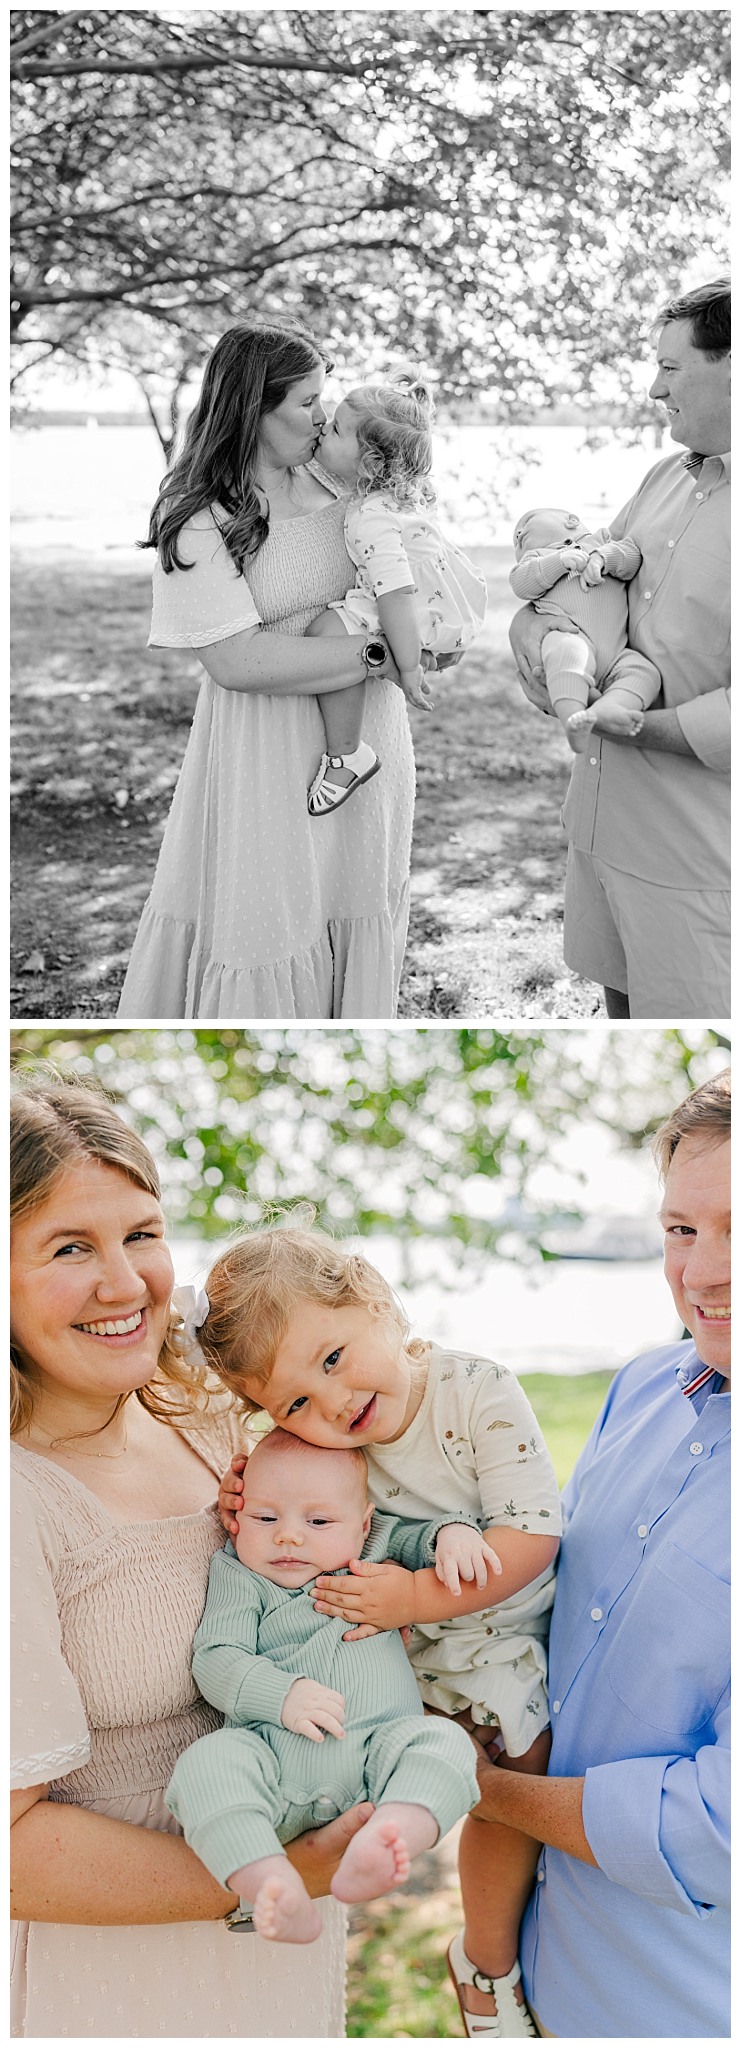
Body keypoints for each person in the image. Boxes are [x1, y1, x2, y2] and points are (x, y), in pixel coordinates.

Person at [10, 1075, 363, 2038]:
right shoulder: (18, 1499)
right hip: (121, 1984)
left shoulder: (216, 1423)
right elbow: (11, 1850)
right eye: (68, 1247)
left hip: (279, 1966)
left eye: (141, 1234)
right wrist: (277, 1876)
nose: (124, 1283)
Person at [207, 1221, 562, 2036]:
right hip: (367, 1649)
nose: (332, 1402)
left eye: (333, 1359)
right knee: (312, 1743)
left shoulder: (474, 1391)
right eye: (295, 1401)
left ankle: (483, 1960)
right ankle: (267, 1873)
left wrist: (412, 1601)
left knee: (509, 1781)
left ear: (373, 1296)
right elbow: (282, 1490)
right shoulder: (312, 1433)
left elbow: (532, 1536)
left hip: (485, 1638)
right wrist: (247, 1495)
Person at [470, 1067, 730, 2038]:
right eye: (681, 1228)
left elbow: (716, 1831)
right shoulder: (640, 1386)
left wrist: (488, 1790)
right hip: (537, 1980)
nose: (701, 1272)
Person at [117, 320, 421, 1021]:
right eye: (307, 402)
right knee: (267, 927)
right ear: (254, 408)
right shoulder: (199, 515)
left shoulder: (343, 484)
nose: (323, 417)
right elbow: (237, 660)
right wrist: (381, 655)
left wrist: (429, 636)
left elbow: (409, 575)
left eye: (324, 400)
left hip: (370, 747)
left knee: (355, 905)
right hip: (267, 756)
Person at [509, 280, 730, 1019]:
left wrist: (645, 726)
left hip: (697, 857)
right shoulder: (665, 476)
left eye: (670, 369)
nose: (651, 388)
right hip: (602, 825)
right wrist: (534, 638)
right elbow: (591, 593)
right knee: (619, 1015)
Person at [166, 1430, 479, 1942]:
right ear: (237, 1515)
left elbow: (426, 1536)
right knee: (208, 1766)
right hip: (273, 1769)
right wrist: (281, 1695)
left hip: (380, 1762)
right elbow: (218, 1658)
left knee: (443, 1745)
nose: (289, 1536)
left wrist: (454, 1534)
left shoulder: (377, 1546)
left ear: (363, 1525)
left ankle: (391, 1831)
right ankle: (266, 1877)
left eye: (317, 1521)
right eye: (266, 1518)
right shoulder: (241, 1573)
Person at [303, 378, 486, 815]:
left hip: (415, 609)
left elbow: (397, 593)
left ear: (368, 464)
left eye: (337, 430)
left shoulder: (374, 516)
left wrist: (404, 667)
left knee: (325, 635)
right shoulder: (389, 498)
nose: (324, 425)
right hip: (434, 605)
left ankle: (346, 754)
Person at [509, 508, 660, 751]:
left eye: (526, 522)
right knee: (567, 654)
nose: (517, 533)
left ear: (571, 521)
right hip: (571, 636)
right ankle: (573, 717)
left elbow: (632, 557)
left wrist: (602, 559)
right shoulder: (537, 557)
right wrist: (558, 562)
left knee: (645, 673)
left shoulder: (601, 541)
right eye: (515, 540)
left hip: (618, 654)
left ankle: (609, 707)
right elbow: (521, 583)